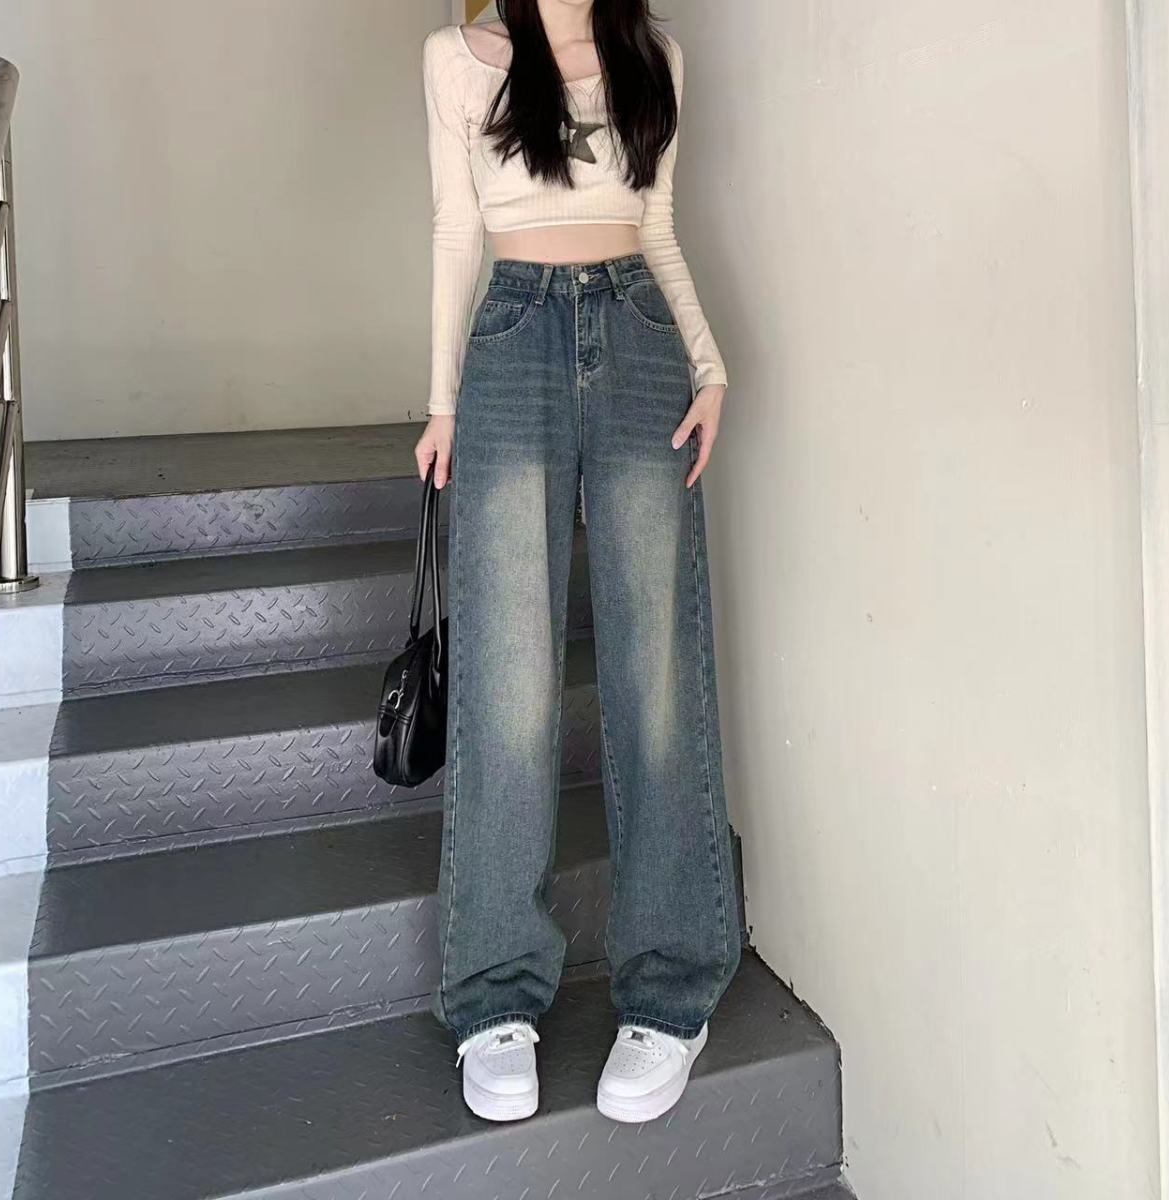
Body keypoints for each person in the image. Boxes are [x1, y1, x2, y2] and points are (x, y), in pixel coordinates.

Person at [414, 0, 740, 1125]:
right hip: (512, 340)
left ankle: (672, 989)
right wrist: (442, 401)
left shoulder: (657, 55)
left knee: (657, 677)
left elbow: (658, 226)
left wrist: (710, 365)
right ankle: (495, 994)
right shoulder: (457, 60)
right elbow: (456, 231)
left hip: (640, 340)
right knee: (508, 683)